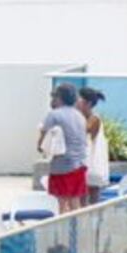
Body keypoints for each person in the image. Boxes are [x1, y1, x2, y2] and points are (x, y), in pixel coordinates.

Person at [37, 83, 88, 214]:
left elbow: (43, 139)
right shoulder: (80, 116)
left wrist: (40, 147)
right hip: (80, 165)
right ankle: (76, 231)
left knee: (60, 204)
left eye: (54, 96)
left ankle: (63, 233)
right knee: (75, 203)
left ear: (59, 97)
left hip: (62, 166)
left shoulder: (54, 115)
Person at [78, 87, 109, 205]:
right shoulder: (81, 118)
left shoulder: (94, 118)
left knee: (92, 195)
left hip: (92, 162)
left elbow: (85, 130)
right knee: (81, 195)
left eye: (79, 100)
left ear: (88, 103)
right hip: (83, 161)